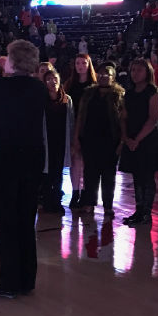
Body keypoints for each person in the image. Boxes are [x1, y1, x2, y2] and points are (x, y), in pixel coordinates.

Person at [0, 40, 48, 299]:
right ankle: (26, 279)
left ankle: (8, 282)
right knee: (26, 220)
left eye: (7, 56)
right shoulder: (39, 89)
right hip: (31, 157)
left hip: (5, 157)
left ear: (14, 62)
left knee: (6, 221)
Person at [119, 59, 158, 226]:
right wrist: (126, 138)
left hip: (148, 140)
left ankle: (146, 212)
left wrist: (136, 140)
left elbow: (153, 120)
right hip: (132, 137)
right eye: (133, 70)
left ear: (147, 72)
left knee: (147, 176)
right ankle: (139, 210)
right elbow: (123, 117)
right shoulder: (129, 93)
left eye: (139, 70)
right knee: (137, 175)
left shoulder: (154, 92)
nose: (135, 73)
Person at [74, 62, 125, 219]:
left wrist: (122, 140)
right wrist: (76, 137)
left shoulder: (119, 95)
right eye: (101, 74)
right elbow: (81, 117)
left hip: (111, 141)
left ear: (113, 77)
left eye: (107, 75)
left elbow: (123, 119)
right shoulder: (89, 94)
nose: (103, 77)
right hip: (90, 139)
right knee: (90, 173)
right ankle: (89, 203)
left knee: (109, 175)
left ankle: (108, 206)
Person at [64, 54, 97, 209]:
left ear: (88, 64)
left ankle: (87, 193)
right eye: (78, 63)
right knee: (75, 161)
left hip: (90, 128)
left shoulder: (95, 86)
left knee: (88, 162)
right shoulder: (69, 85)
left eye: (84, 63)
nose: (80, 65)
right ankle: (75, 192)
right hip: (73, 126)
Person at [41, 69, 73, 214]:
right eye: (48, 79)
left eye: (55, 79)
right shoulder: (41, 99)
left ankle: (56, 201)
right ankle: (47, 201)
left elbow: (71, 121)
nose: (52, 82)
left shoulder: (67, 99)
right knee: (46, 173)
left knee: (58, 172)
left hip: (61, 140)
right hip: (46, 141)